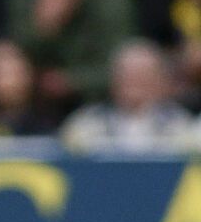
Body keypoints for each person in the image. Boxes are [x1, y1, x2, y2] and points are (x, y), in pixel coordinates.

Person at [7, 0, 136, 115]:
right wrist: (44, 28)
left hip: (99, 96)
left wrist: (73, 80)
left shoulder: (109, 1)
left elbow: (119, 65)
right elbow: (19, 52)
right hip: (40, 93)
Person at [59, 39, 195, 146]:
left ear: (160, 82)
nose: (134, 84)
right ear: (113, 81)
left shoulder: (181, 127)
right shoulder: (85, 125)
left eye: (142, 76)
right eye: (127, 76)